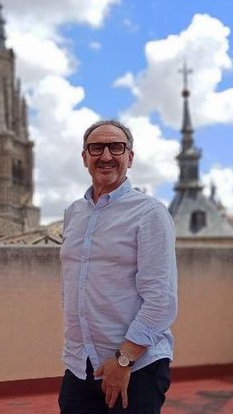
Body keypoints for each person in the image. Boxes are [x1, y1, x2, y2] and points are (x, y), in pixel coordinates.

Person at [59, 120, 178, 414]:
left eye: (117, 147)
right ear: (85, 156)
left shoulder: (150, 213)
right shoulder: (74, 213)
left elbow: (161, 299)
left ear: (130, 157)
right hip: (80, 362)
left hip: (135, 366)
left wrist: (123, 359)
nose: (106, 156)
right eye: (96, 147)